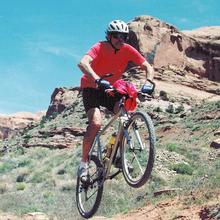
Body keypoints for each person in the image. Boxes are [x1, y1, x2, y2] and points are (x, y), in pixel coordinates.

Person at [77, 19, 154, 179]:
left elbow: (148, 66)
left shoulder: (127, 49)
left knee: (124, 116)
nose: (121, 40)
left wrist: (149, 82)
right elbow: (83, 63)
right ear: (109, 36)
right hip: (92, 88)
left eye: (124, 36)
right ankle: (83, 164)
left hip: (110, 89)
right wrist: (97, 79)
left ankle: (115, 153)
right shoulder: (99, 47)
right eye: (117, 36)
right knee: (96, 123)